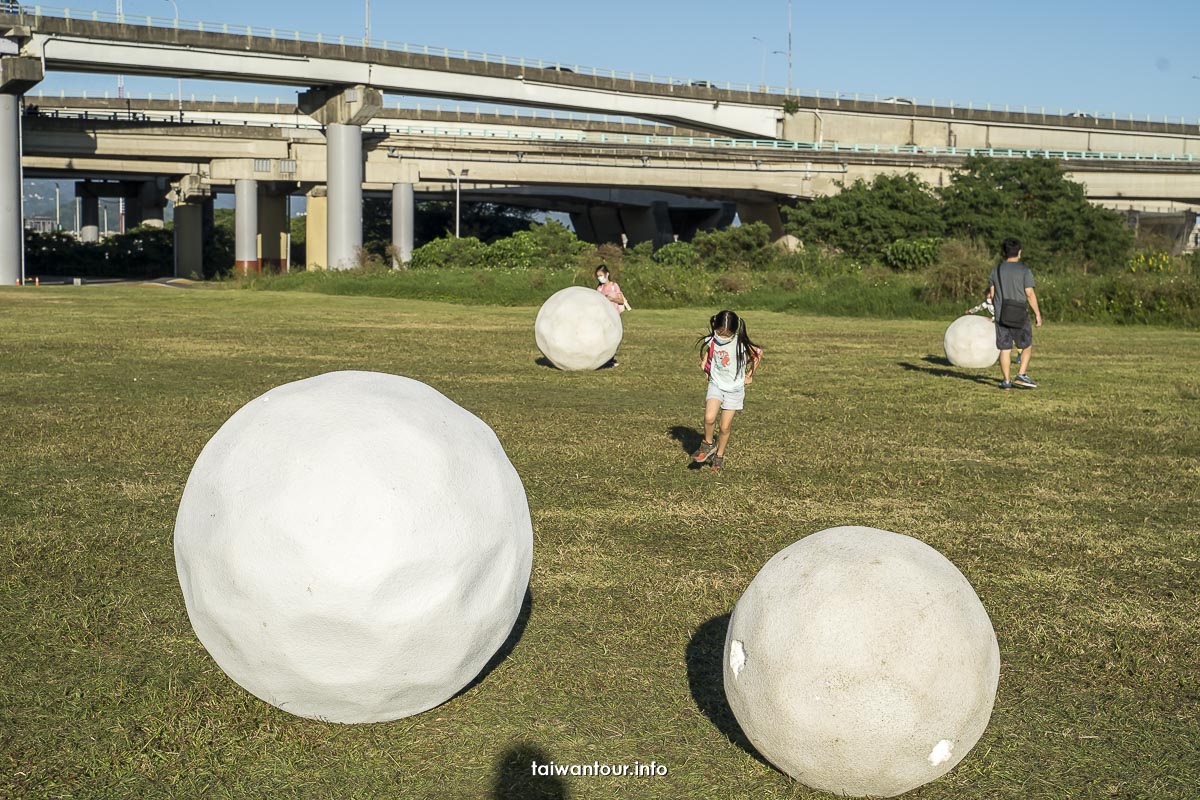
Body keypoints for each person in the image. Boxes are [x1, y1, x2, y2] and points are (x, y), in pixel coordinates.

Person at [692, 310, 762, 471]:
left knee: (724, 427)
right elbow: (710, 351)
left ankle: (719, 457)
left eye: (726, 335)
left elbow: (758, 354)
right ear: (715, 328)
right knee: (709, 417)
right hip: (716, 385)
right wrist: (705, 363)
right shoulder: (712, 339)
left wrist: (750, 375)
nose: (722, 338)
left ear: (734, 332)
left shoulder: (740, 343)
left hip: (734, 390)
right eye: (719, 333)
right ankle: (708, 444)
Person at [986, 238, 1043, 390]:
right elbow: (1029, 293)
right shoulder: (1024, 270)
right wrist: (1037, 313)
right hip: (1019, 315)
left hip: (1001, 315)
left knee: (1005, 349)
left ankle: (1006, 381)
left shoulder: (996, 270)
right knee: (1026, 345)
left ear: (1004, 253)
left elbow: (992, 295)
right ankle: (1021, 375)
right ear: (1019, 252)